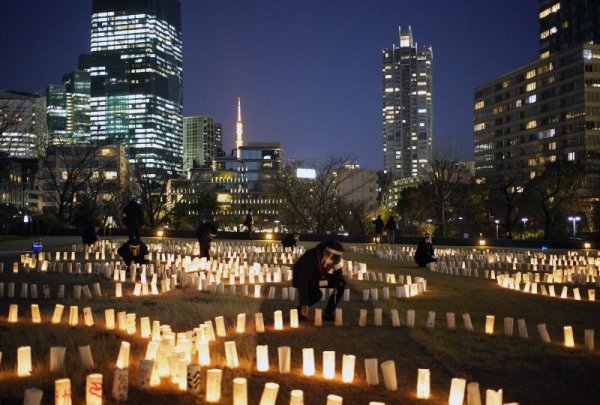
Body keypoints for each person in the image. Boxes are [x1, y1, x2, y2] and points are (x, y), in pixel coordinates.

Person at [292, 239, 345, 322]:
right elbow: (303, 281)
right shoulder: (309, 257)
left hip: (319, 278)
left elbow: (338, 275)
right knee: (316, 294)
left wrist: (337, 283)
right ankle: (300, 311)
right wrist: (304, 303)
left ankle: (328, 313)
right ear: (325, 251)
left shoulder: (335, 260)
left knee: (341, 283)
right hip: (303, 278)